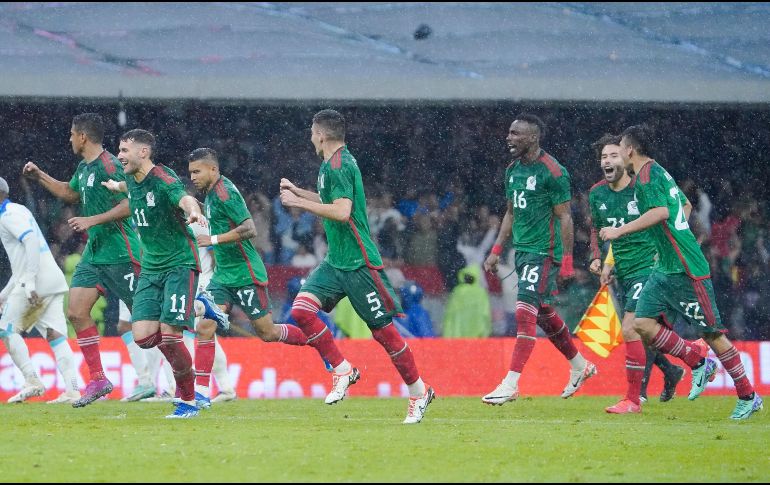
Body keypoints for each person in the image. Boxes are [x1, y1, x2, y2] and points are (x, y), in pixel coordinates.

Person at [279, 109, 434, 424]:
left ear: (321, 134)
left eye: (312, 131)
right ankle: (342, 369)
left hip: (359, 263)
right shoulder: (331, 164)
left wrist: (299, 204)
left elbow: (341, 212)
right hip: (336, 261)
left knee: (384, 334)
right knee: (301, 311)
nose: (310, 137)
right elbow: (329, 199)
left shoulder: (339, 165)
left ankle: (419, 392)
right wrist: (299, 191)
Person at [599, 124, 763, 420]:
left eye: (620, 148)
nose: (617, 154)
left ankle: (748, 395)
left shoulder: (647, 176)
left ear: (630, 151)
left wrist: (619, 231)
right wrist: (669, 239)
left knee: (712, 334)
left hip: (686, 268)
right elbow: (683, 206)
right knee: (641, 323)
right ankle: (696, 359)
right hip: (665, 267)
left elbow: (661, 212)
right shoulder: (657, 171)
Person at [102, 129, 228, 419]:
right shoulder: (132, 181)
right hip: (151, 269)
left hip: (179, 265)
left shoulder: (162, 178)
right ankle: (200, 306)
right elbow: (130, 188)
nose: (119, 155)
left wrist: (193, 210)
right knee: (143, 336)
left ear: (143, 153)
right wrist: (115, 186)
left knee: (171, 337)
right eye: (119, 150)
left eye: (124, 150)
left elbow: (183, 197)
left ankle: (187, 399)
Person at [23, 113, 142, 407]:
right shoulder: (85, 167)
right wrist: (39, 175)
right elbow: (69, 192)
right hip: (95, 254)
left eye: (72, 134)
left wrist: (93, 220)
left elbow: (131, 202)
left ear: (83, 137)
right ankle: (99, 378)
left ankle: (186, 380)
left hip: (121, 252)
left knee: (147, 321)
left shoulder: (111, 165)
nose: (70, 139)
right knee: (76, 311)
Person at [482, 113, 596, 405]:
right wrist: (496, 250)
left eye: (516, 133)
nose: (509, 138)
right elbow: (511, 212)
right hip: (522, 251)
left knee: (524, 312)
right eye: (509, 132)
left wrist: (568, 260)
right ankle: (581, 366)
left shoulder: (553, 172)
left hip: (544, 252)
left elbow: (565, 217)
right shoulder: (512, 170)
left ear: (533, 137)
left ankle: (511, 383)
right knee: (543, 313)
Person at [188, 148, 310, 407]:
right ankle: (199, 394)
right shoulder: (210, 194)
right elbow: (217, 217)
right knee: (205, 327)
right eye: (191, 173)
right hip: (223, 275)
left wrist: (213, 239)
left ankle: (315, 340)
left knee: (267, 332)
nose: (193, 177)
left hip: (245, 273)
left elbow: (249, 228)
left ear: (213, 169)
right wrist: (191, 207)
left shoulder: (225, 192)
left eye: (197, 171)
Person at [586, 134, 684, 414]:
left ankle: (634, 398)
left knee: (633, 327)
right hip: (624, 271)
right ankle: (693, 356)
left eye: (614, 155)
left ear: (627, 158)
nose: (607, 161)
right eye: (603, 157)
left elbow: (674, 210)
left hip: (650, 268)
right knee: (644, 331)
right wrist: (601, 259)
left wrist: (666, 247)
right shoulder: (597, 194)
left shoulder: (642, 189)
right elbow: (597, 228)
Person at [0, 177, 80, 403]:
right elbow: (22, 260)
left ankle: (32, 380)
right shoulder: (19, 209)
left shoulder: (7, 216)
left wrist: (31, 281)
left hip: (35, 283)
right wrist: (5, 294)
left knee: (6, 329)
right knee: (54, 334)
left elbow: (31, 242)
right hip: (50, 279)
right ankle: (73, 390)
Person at [442, 265, 491, 338]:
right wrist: (485, 331)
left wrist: (447, 334)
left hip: (458, 331)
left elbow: (450, 313)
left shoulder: (458, 291)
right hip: (477, 330)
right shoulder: (481, 293)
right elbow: (485, 313)